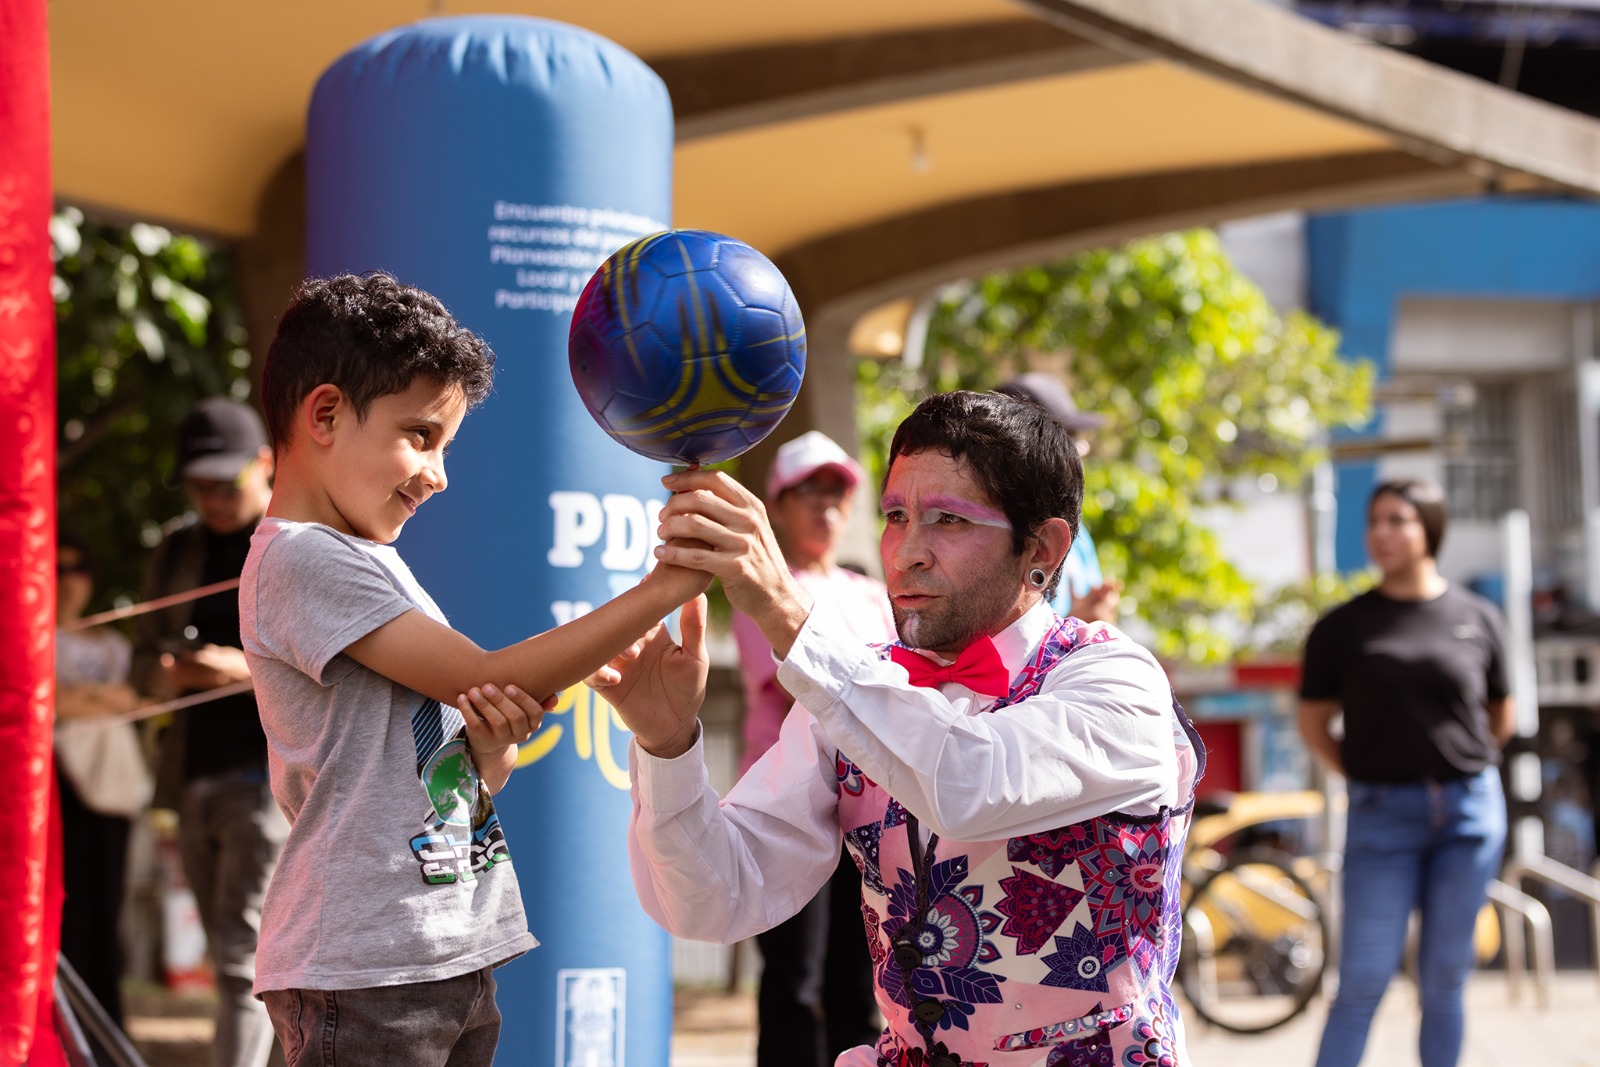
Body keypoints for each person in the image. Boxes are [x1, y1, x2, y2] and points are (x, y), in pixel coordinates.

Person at [577, 391, 1205, 1067]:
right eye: (896, 516)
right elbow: (717, 899)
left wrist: (792, 615)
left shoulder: (1116, 682)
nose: (907, 552)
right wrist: (667, 745)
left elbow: (971, 784)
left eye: (947, 520)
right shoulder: (860, 692)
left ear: (1043, 547)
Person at [240, 271, 708, 1067]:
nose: (437, 473)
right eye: (420, 435)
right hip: (367, 967)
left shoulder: (365, 560)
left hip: (440, 950)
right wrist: (665, 587)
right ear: (323, 413)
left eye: (445, 445)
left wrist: (492, 748)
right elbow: (489, 675)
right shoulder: (302, 558)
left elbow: (448, 744)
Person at [1298, 478, 1514, 1067]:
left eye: (1398, 520)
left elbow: (1501, 714)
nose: (1382, 533)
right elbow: (1314, 721)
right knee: (1363, 979)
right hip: (1381, 818)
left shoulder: (1480, 617)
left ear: (1430, 528)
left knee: (1444, 977)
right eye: (1375, 521)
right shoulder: (1343, 626)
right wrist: (1366, 777)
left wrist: (1457, 766)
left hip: (1470, 814)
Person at [133, 396, 286, 1067]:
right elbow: (141, 658)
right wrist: (170, 671)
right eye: (200, 487)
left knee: (240, 960)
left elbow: (337, 661)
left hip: (270, 778)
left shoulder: (299, 540)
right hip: (190, 773)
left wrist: (242, 669)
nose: (214, 501)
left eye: (225, 484)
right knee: (242, 957)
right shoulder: (175, 549)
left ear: (266, 463)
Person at [733, 431, 894, 1067]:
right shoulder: (762, 586)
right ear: (778, 503)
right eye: (810, 493)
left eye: (837, 493)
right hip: (789, 811)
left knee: (862, 981)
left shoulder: (869, 591)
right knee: (794, 981)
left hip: (865, 811)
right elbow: (795, 677)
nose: (825, 506)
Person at [54, 533, 151, 1027]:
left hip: (110, 792)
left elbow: (136, 703)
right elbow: (48, 704)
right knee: (62, 909)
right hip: (56, 788)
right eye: (57, 569)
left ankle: (104, 1027)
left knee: (106, 911)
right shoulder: (32, 636)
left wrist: (79, 699)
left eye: (78, 568)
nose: (68, 581)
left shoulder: (113, 641)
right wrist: (103, 699)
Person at [995, 372, 1120, 625]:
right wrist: (1071, 630)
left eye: (1074, 437)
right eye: (1064, 438)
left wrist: (1100, 618)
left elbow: (1097, 622)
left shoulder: (1078, 535)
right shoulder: (989, 532)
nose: (1079, 450)